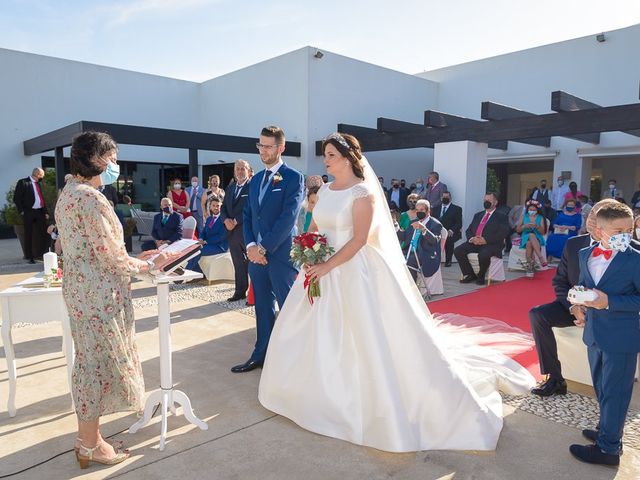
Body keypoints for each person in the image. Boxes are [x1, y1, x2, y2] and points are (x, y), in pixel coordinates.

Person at [258, 132, 534, 453]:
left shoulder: (363, 194)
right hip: (321, 268)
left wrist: (326, 265)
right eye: (326, 155)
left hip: (352, 270)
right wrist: (308, 250)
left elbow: (359, 239)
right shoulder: (327, 191)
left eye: (331, 155)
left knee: (363, 336)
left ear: (348, 158)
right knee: (314, 333)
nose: (326, 160)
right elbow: (317, 227)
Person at [54, 131, 174, 469]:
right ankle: (90, 444)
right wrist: (149, 265)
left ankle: (90, 438)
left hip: (82, 292)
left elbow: (96, 248)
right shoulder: (90, 198)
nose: (116, 166)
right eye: (113, 158)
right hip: (98, 297)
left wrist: (136, 257)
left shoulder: (69, 193)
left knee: (89, 363)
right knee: (95, 367)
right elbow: (110, 257)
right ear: (97, 159)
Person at [569, 201, 640, 466]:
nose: (627, 234)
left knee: (616, 392)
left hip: (622, 337)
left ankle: (609, 449)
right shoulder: (585, 254)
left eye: (630, 228)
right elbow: (586, 287)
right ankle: (608, 430)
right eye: (619, 229)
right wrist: (578, 304)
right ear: (600, 231)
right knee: (601, 387)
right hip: (594, 333)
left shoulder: (636, 259)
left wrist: (608, 301)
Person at [528, 199, 620, 398]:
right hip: (575, 306)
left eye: (598, 215)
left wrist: (600, 307)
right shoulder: (574, 244)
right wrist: (573, 308)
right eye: (590, 214)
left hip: (608, 310)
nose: (591, 218)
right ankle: (555, 378)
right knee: (538, 315)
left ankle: (610, 390)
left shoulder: (625, 249)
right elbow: (560, 282)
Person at [230, 125, 304, 373]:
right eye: (260, 145)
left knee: (289, 308)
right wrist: (251, 246)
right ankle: (261, 354)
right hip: (256, 256)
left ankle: (295, 359)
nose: (263, 150)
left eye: (268, 146)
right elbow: (249, 214)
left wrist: (263, 248)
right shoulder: (256, 180)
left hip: (281, 256)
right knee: (262, 307)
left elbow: (288, 218)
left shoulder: (293, 178)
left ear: (281, 148)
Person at [454, 192, 510, 285]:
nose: (486, 202)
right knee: (458, 250)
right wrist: (472, 239)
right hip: (475, 242)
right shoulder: (478, 215)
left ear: (495, 202)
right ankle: (469, 274)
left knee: (483, 254)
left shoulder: (502, 216)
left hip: (491, 244)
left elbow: (502, 233)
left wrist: (485, 240)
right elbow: (469, 230)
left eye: (489, 200)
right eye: (485, 200)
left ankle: (481, 276)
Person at [221, 160, 251, 302]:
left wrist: (236, 221)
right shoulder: (230, 188)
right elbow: (223, 208)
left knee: (253, 264)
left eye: (242, 168)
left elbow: (251, 209)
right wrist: (225, 219)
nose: (240, 171)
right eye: (237, 169)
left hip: (246, 231)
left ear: (248, 170)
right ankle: (239, 292)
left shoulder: (252, 187)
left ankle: (254, 295)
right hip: (232, 233)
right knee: (238, 263)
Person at [397, 199, 442, 281]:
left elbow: (435, 241)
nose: (419, 212)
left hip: (424, 253)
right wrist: (397, 227)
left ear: (428, 211)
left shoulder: (435, 224)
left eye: (421, 210)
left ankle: (412, 288)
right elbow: (403, 237)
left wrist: (424, 230)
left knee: (409, 261)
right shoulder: (414, 221)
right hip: (409, 250)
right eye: (417, 210)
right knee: (392, 257)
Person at [13, 167, 49, 263]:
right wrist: (22, 211)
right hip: (28, 212)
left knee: (43, 232)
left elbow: (41, 198)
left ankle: (41, 254)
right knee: (28, 233)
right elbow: (16, 198)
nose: (43, 177)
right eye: (42, 175)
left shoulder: (38, 184)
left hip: (39, 212)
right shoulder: (23, 182)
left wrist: (45, 212)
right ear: (37, 174)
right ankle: (30, 256)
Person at [186, 195, 228, 273]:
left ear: (221, 207)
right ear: (210, 207)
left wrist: (205, 242)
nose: (216, 207)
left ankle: (185, 272)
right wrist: (201, 238)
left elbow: (221, 237)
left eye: (218, 206)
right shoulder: (209, 219)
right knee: (192, 248)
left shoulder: (224, 219)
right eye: (213, 205)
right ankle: (198, 273)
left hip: (219, 246)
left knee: (199, 250)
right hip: (208, 244)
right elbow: (204, 231)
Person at [516, 200, 548, 268]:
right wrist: (525, 226)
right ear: (528, 209)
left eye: (534, 210)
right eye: (530, 209)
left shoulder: (540, 217)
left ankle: (530, 266)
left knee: (529, 243)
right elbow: (518, 230)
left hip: (537, 237)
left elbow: (543, 232)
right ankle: (540, 258)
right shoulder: (523, 216)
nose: (532, 211)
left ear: (537, 210)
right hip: (525, 236)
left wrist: (537, 226)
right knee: (530, 235)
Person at [438, 191, 462, 267]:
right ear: (441, 198)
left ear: (450, 198)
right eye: (444, 197)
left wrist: (451, 230)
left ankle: (448, 261)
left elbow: (459, 223)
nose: (445, 199)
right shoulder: (435, 208)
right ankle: (435, 260)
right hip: (438, 231)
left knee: (449, 239)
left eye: (447, 197)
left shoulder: (457, 209)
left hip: (450, 231)